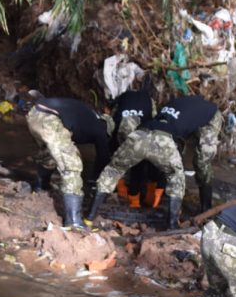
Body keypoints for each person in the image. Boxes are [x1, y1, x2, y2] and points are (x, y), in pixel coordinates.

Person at [86, 112, 186, 230]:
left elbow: (140, 158)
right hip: (163, 141)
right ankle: (172, 224)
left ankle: (89, 218)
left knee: (113, 170)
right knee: (176, 176)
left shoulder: (147, 122)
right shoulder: (173, 128)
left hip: (139, 137)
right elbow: (177, 151)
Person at [26, 97, 112, 230]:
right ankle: (74, 221)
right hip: (50, 119)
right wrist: (96, 183)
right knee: (72, 164)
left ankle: (40, 187)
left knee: (51, 154)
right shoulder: (100, 129)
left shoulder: (88, 117)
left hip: (34, 114)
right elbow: (103, 158)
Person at [150, 95, 222, 213]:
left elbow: (174, 161)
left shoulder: (175, 129)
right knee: (164, 160)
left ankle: (206, 206)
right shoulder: (155, 123)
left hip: (209, 116)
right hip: (189, 113)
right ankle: (165, 194)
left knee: (201, 162)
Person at [109, 89, 157, 208]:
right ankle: (122, 187)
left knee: (140, 162)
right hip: (125, 108)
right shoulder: (116, 125)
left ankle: (135, 197)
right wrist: (119, 184)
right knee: (116, 155)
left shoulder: (147, 127)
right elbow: (113, 156)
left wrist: (133, 195)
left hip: (143, 122)